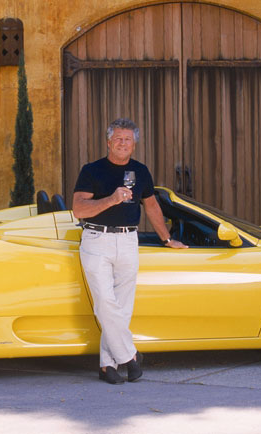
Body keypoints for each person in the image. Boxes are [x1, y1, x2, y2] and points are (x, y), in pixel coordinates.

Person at [72, 118, 187, 384]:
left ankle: (107, 366)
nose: (123, 143)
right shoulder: (92, 170)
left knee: (122, 307)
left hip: (127, 240)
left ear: (134, 144)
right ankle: (130, 356)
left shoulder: (141, 171)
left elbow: (152, 206)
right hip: (96, 239)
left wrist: (167, 239)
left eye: (128, 139)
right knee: (105, 302)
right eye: (118, 139)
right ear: (108, 142)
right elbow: (79, 209)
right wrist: (112, 199)